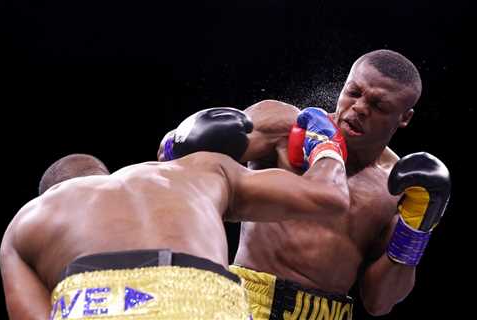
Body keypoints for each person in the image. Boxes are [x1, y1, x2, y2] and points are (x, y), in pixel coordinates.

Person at [161, 49, 451, 320]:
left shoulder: (397, 187)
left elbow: (379, 302)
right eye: (353, 92)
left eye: (378, 105)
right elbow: (171, 161)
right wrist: (185, 140)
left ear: (404, 118)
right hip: (246, 302)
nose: (359, 108)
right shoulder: (286, 127)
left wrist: (416, 230)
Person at [0, 108, 351, 320]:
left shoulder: (25, 225)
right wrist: (325, 145)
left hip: (91, 303)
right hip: (200, 297)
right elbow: (329, 196)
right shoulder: (195, 170)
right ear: (107, 176)